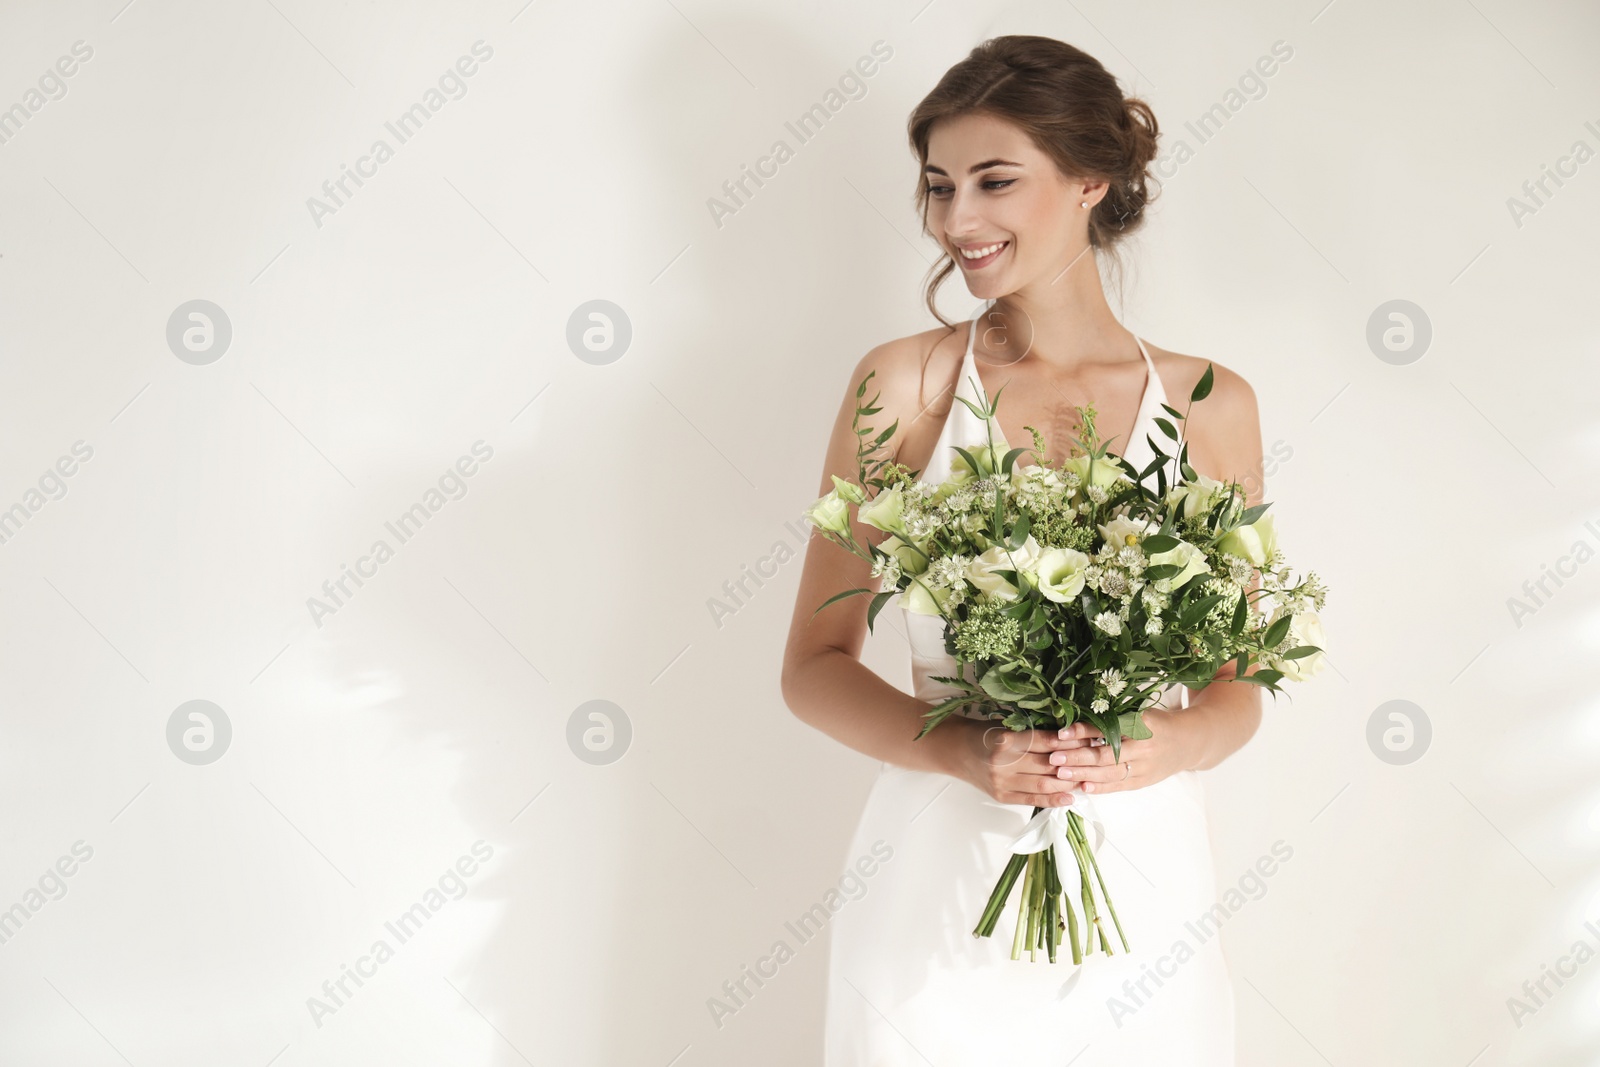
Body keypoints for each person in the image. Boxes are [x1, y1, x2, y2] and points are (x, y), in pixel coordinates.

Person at [781, 35, 1266, 1065]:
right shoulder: (902, 386)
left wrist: (1167, 743)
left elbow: (1238, 684)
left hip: (1142, 881)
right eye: (938, 185)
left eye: (995, 181)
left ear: (1092, 177)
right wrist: (962, 748)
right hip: (936, 875)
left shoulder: (1209, 404)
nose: (958, 221)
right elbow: (812, 669)